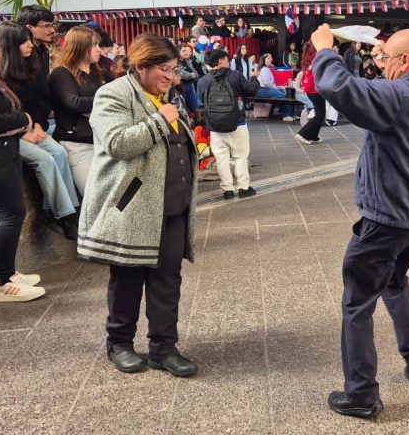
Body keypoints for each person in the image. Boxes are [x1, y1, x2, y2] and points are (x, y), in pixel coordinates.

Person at [310, 24, 409, 420]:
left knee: (357, 301)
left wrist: (325, 50)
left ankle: (361, 394)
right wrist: (385, 58)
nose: (381, 64)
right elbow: (389, 87)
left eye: (387, 59)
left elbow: (340, 88)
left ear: (403, 61)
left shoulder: (399, 96)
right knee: (393, 280)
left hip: (388, 218)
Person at [79, 34, 199, 377]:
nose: (171, 77)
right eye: (165, 69)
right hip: (132, 206)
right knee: (127, 278)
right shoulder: (112, 94)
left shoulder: (168, 95)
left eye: (174, 69)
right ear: (141, 65)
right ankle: (119, 343)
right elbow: (117, 143)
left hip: (173, 204)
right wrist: (161, 120)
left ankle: (164, 348)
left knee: (167, 280)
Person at [0, 21, 79, 239]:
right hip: (9, 135)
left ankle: (71, 209)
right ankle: (64, 216)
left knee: (59, 153)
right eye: (23, 42)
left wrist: (38, 125)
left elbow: (36, 103)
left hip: (31, 126)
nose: (30, 45)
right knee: (45, 160)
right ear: (9, 45)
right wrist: (25, 132)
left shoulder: (29, 66)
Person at [0, 31, 45, 302]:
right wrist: (21, 120)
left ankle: (1, 274)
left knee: (0, 215)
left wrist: (17, 121)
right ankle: (5, 283)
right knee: (12, 214)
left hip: (6, 151)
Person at [48, 26, 105, 196]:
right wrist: (102, 103)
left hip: (103, 141)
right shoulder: (61, 73)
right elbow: (73, 102)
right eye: (94, 45)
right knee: (93, 194)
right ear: (80, 47)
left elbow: (116, 97)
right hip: (76, 144)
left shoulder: (99, 74)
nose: (99, 50)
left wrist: (92, 106)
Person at [197, 48, 261, 199]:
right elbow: (252, 91)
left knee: (221, 158)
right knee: (240, 156)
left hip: (215, 126)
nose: (229, 63)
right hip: (237, 123)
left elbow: (201, 101)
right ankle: (243, 188)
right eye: (227, 60)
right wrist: (254, 78)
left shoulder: (203, 80)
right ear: (220, 61)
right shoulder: (235, 75)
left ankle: (228, 190)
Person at [296, 41, 324, 145]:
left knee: (320, 114)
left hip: (313, 91)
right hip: (315, 91)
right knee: (320, 115)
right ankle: (303, 133)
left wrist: (306, 89)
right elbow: (312, 76)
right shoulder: (315, 57)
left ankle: (314, 136)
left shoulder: (308, 57)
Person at [256, 53, 294, 121]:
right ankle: (287, 115)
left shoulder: (266, 69)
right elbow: (266, 83)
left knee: (283, 93)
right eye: (268, 58)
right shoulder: (265, 70)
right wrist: (276, 88)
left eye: (271, 58)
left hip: (266, 89)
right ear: (264, 60)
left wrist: (277, 87)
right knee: (283, 95)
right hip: (264, 89)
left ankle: (290, 114)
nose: (270, 59)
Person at [177, 44, 199, 112]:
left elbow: (196, 74)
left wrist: (191, 75)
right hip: (181, 87)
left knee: (195, 108)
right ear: (178, 51)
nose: (186, 53)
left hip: (190, 86)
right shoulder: (176, 62)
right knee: (183, 110)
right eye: (184, 51)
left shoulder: (188, 61)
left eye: (188, 51)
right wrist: (191, 75)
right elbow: (181, 74)